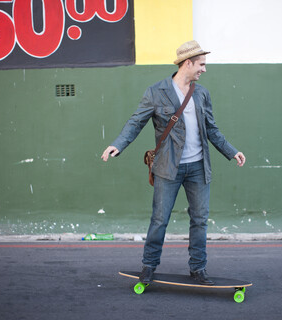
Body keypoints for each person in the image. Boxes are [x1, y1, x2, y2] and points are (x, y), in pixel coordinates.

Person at [101, 40, 246, 285]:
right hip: (168, 167)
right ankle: (148, 266)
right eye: (201, 64)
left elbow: (211, 128)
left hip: (198, 168)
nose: (204, 69)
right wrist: (119, 144)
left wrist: (231, 151)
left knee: (199, 220)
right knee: (159, 219)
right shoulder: (156, 92)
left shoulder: (201, 93)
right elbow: (136, 122)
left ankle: (198, 269)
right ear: (187, 63)